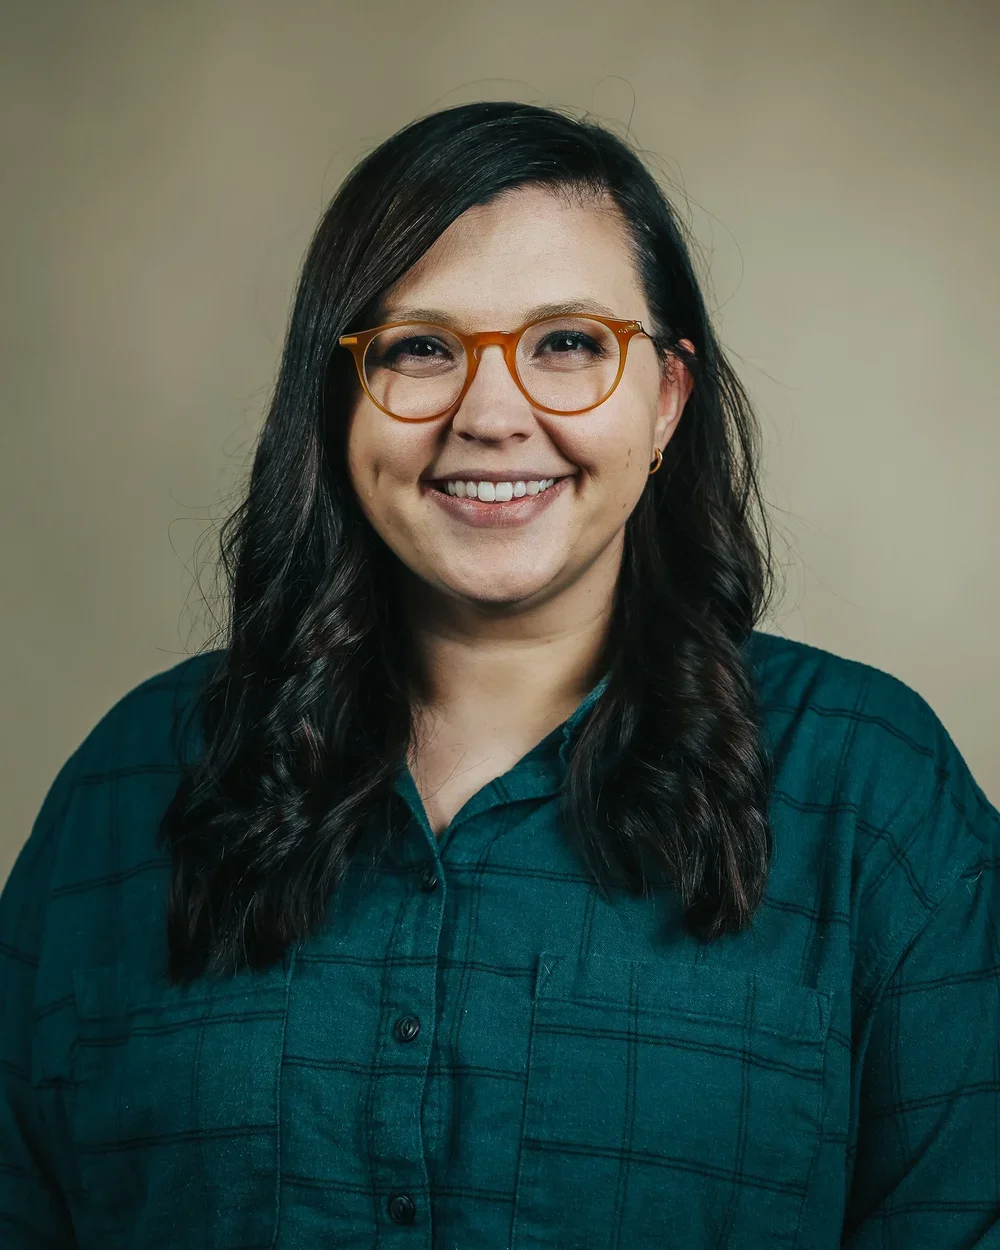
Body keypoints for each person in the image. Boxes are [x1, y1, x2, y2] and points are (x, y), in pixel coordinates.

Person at [1, 101, 997, 1250]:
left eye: (566, 343)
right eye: (419, 347)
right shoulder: (129, 787)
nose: (490, 414)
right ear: (341, 401)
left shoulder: (876, 798)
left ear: (666, 398)